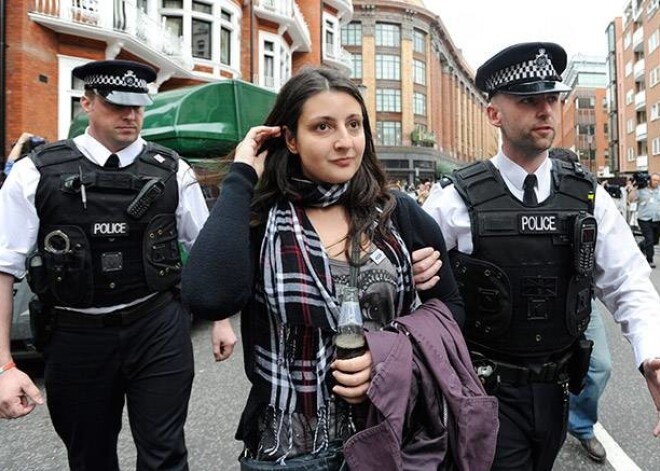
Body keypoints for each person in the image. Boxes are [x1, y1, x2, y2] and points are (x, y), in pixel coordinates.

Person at [181, 67, 465, 468]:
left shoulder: (398, 217)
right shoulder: (261, 221)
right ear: (291, 140)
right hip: (291, 445)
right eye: (322, 127)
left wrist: (391, 357)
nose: (345, 142)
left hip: (392, 426)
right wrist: (242, 175)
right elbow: (208, 296)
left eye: (354, 125)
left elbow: (451, 310)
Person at [423, 42, 660, 471]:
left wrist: (651, 353)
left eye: (551, 97)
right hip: (483, 393)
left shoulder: (588, 197)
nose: (546, 110)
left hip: (556, 392)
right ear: (495, 113)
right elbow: (407, 285)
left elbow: (629, 282)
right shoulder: (452, 201)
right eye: (529, 100)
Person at [0, 59, 234, 470]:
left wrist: (220, 318)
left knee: (165, 455)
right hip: (76, 334)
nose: (130, 116)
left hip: (157, 325)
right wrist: (4, 365)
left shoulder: (172, 170)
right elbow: (4, 268)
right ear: (87, 103)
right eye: (116, 105)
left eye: (138, 106)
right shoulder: (34, 173)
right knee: (89, 456)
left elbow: (204, 248)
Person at [547, 148, 613, 463]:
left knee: (599, 366)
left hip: (582, 301)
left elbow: (620, 271)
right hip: (539, 303)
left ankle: (581, 425)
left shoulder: (594, 204)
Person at [634, 172, 660, 268]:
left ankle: (642, 245)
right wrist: (634, 187)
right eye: (654, 180)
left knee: (654, 240)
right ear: (649, 180)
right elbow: (631, 199)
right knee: (649, 238)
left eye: (658, 180)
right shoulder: (641, 190)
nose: (656, 182)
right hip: (644, 219)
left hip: (657, 219)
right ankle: (649, 260)